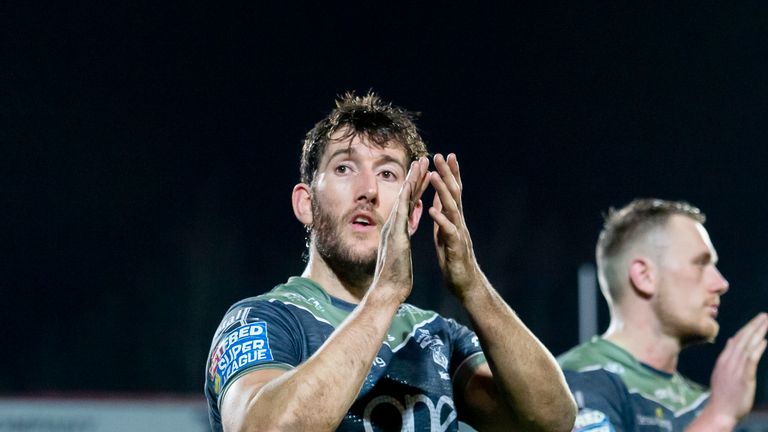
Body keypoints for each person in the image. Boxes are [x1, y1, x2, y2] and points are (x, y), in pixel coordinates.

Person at [204, 92, 576, 431]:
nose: (367, 191)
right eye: (344, 169)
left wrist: (473, 286)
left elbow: (552, 419)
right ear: (306, 204)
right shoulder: (263, 320)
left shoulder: (436, 337)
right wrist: (384, 295)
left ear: (413, 215)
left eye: (387, 174)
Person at [558, 198, 768, 431]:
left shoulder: (701, 402)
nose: (721, 283)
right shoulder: (577, 380)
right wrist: (719, 418)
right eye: (700, 264)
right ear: (645, 276)